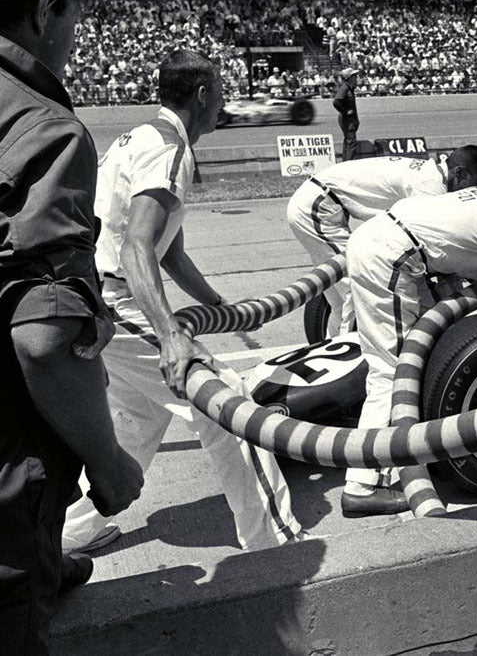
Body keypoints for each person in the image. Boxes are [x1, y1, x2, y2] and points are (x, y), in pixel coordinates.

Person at [62, 49, 302, 554]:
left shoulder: (141, 138)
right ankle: (274, 543)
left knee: (139, 421)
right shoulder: (169, 150)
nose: (224, 104)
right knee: (225, 401)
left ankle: (70, 534)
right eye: (221, 93)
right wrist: (173, 336)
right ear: (201, 94)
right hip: (113, 296)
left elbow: (169, 254)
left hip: (93, 293)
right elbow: (137, 248)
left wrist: (219, 306)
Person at [0, 0, 144, 651]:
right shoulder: (44, 128)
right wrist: (109, 464)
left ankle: (46, 568)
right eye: (75, 20)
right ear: (47, 7)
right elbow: (44, 343)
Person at [344, 159, 477, 517]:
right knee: (392, 373)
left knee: (433, 346)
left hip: (391, 243)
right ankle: (361, 485)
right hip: (392, 257)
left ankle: (417, 442)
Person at [286, 149, 477, 337]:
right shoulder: (429, 187)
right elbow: (429, 241)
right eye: (475, 186)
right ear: (460, 173)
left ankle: (332, 344)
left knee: (338, 298)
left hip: (320, 202)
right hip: (318, 206)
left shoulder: (430, 172)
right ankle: (349, 353)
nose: (472, 193)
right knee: (361, 284)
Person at [334, 67, 360, 162]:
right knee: (351, 142)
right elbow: (336, 102)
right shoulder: (345, 88)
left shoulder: (349, 88)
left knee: (348, 141)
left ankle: (345, 162)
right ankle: (349, 163)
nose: (356, 78)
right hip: (347, 119)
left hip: (349, 120)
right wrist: (345, 112)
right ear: (350, 78)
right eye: (354, 76)